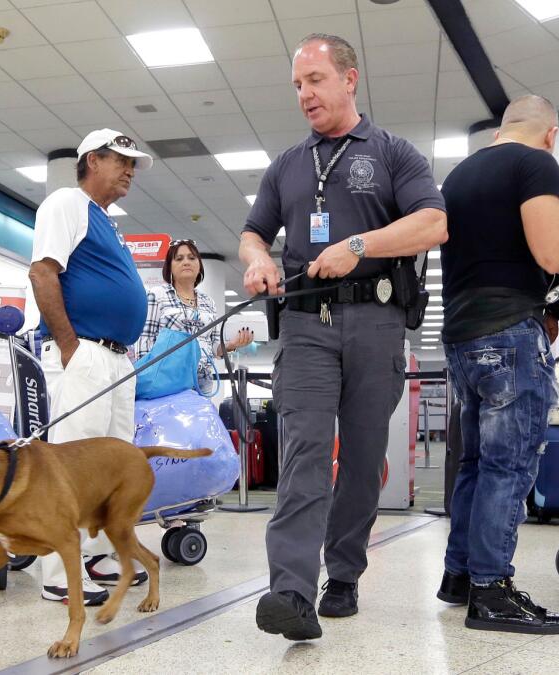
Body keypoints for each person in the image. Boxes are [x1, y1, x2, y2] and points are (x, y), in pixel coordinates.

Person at [240, 33, 447, 640]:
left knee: (361, 460)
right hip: (305, 325)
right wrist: (257, 259)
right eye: (298, 85)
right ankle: (291, 593)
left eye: (316, 80)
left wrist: (359, 246)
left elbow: (433, 223)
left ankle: (346, 574)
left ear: (349, 79)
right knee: (304, 451)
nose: (305, 94)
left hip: (376, 322)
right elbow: (254, 231)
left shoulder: (391, 152)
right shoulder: (285, 165)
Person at [437, 95, 559, 634]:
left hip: (460, 334)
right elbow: (556, 255)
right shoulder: (535, 164)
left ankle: (460, 575)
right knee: (510, 466)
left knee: (476, 463)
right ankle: (492, 591)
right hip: (508, 333)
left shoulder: (458, 177)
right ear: (551, 134)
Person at [28, 128, 154, 604]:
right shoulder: (66, 203)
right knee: (72, 464)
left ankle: (99, 554)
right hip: (85, 353)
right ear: (92, 161)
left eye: (132, 163)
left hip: (116, 359)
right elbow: (43, 272)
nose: (130, 171)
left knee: (112, 467)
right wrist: (69, 346)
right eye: (121, 160)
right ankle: (59, 573)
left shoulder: (106, 221)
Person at [134, 239, 254, 391]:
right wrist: (148, 377)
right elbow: (144, 341)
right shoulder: (157, 295)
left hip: (202, 380)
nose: (186, 262)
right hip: (166, 379)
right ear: (169, 266)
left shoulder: (208, 302)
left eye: (192, 258)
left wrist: (232, 345)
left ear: (199, 265)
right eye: (179, 258)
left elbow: (215, 346)